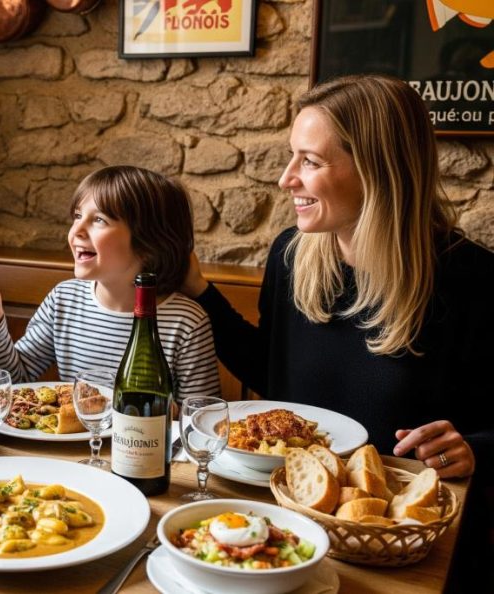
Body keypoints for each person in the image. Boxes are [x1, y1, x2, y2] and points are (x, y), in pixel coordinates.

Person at [180, 74, 493, 587]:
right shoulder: (291, 255)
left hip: (402, 547)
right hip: (291, 527)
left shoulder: (474, 279)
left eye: (310, 161)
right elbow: (273, 372)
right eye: (292, 156)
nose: (286, 179)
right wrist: (199, 291)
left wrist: (476, 446)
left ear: (377, 170)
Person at [0, 165, 221, 398]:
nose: (77, 231)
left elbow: (200, 422)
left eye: (99, 220)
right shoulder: (64, 300)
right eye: (77, 216)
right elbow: (15, 382)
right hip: (68, 450)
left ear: (149, 244)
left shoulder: (186, 323)